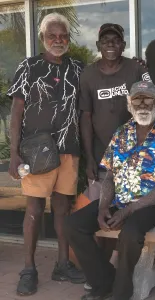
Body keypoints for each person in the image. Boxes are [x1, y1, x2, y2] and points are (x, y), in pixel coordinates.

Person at [65, 81, 155, 300]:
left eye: (148, 99)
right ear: (129, 105)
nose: (142, 104)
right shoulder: (122, 133)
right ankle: (102, 282)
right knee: (73, 225)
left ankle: (121, 293)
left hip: (154, 204)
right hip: (119, 200)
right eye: (137, 99)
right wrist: (103, 206)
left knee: (130, 234)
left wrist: (128, 211)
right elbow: (110, 176)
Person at [6, 12, 85, 296]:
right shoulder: (28, 67)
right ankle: (29, 269)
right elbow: (16, 113)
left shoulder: (78, 68)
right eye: (52, 35)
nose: (58, 40)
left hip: (69, 150)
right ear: (42, 38)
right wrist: (14, 153)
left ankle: (63, 264)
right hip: (37, 152)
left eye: (63, 35)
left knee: (63, 208)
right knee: (35, 210)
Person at [79, 23, 151, 201]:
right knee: (98, 211)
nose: (110, 44)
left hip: (133, 156)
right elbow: (86, 117)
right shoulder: (88, 75)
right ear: (98, 46)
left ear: (123, 46)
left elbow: (151, 109)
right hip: (101, 157)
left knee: (129, 208)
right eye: (105, 41)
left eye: (116, 40)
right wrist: (89, 159)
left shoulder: (136, 69)